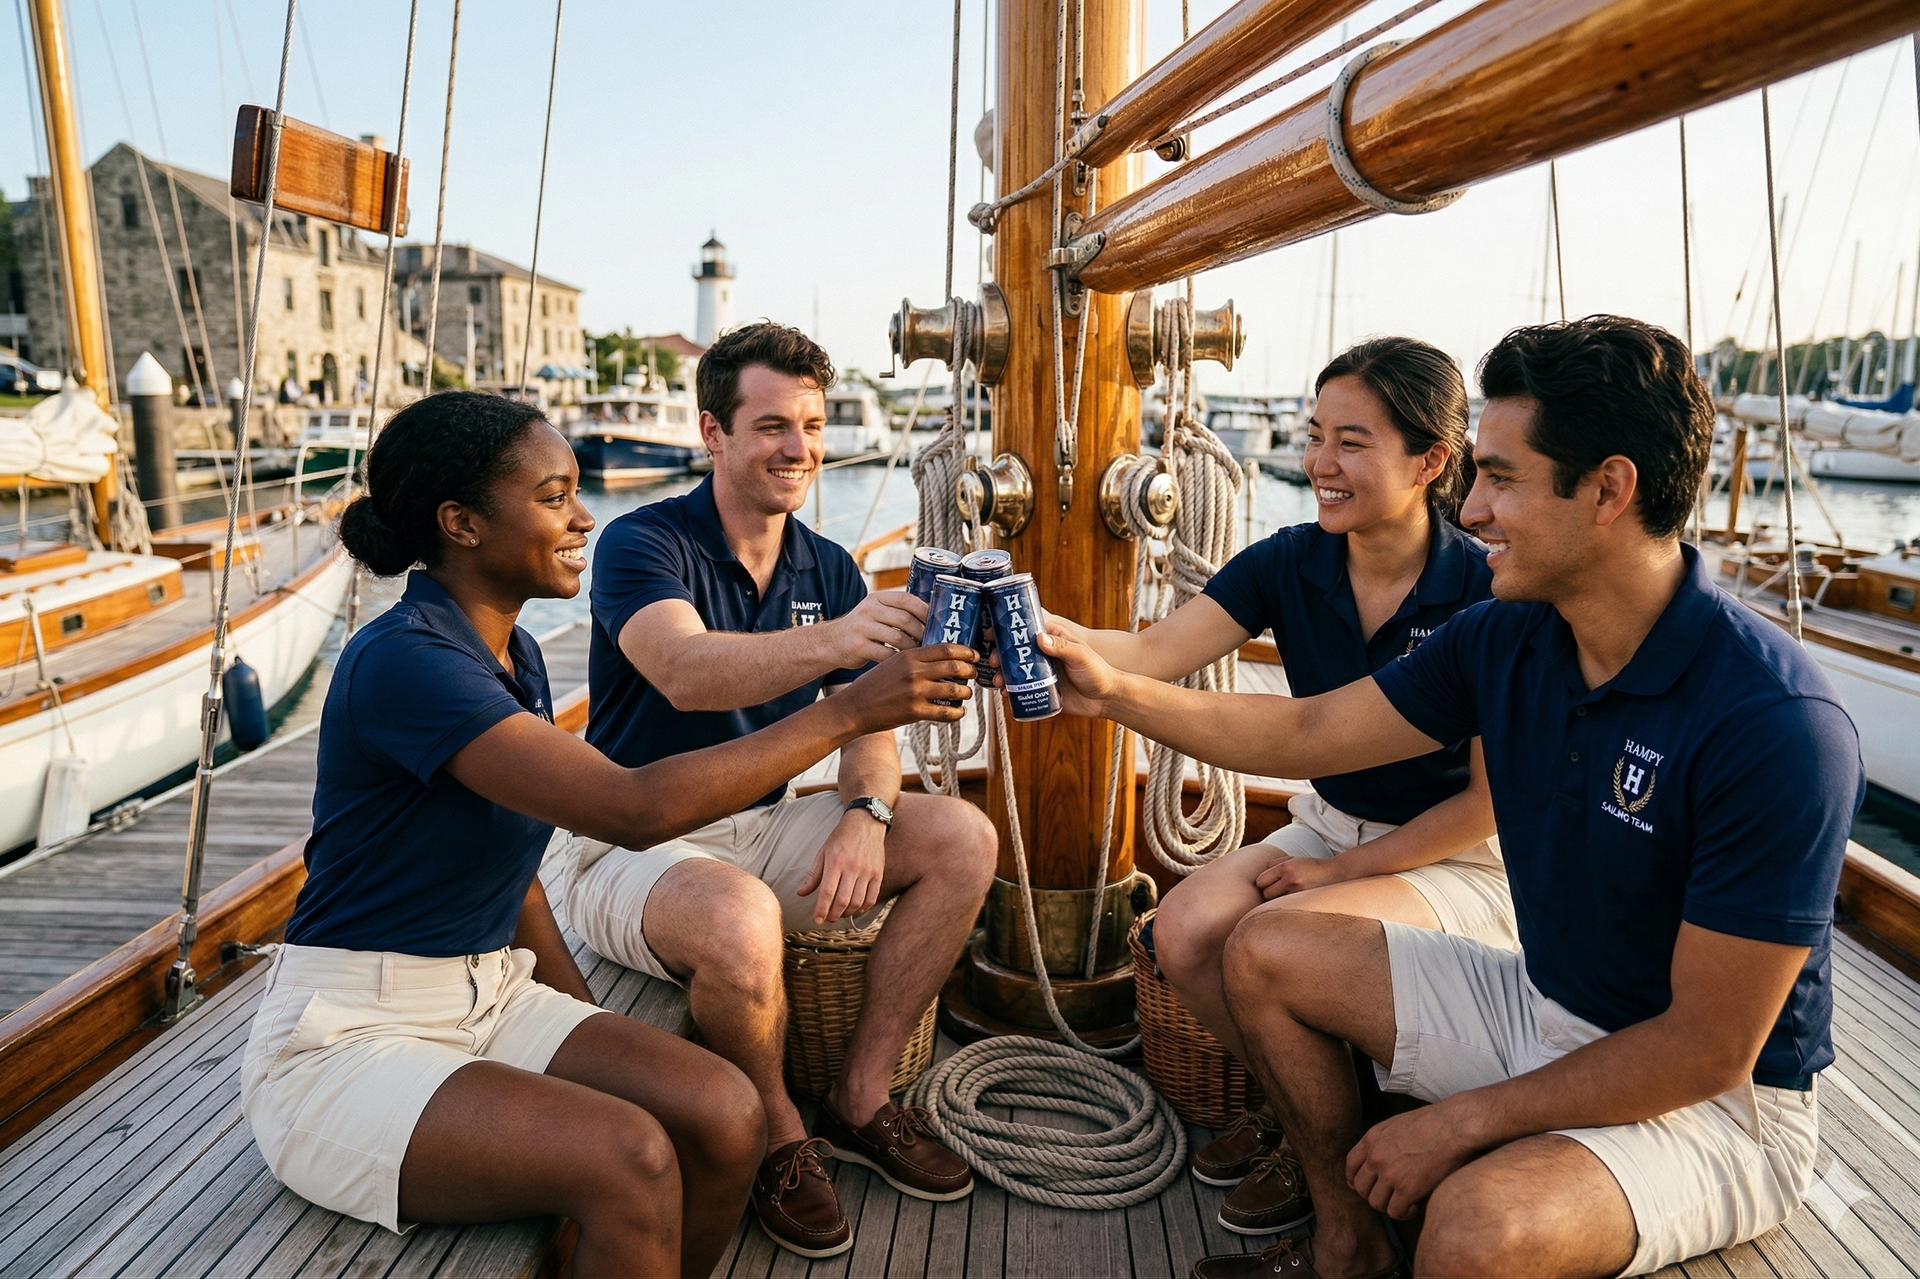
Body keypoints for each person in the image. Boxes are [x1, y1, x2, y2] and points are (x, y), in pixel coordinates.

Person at [1041, 316, 1862, 1279]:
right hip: (1540, 1000)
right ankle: (1345, 1248)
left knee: (1472, 1225)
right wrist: (1114, 691)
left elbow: (1707, 1048)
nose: (1471, 512)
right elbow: (1307, 732)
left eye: (1501, 478)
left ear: (1609, 490)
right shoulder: (1508, 638)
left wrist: (1458, 1126)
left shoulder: (1775, 721)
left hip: (1717, 1106)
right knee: (1260, 948)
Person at [240, 390, 976, 1279]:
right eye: (555, 497)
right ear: (461, 523)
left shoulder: (513, 655)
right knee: (633, 1156)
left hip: (489, 993)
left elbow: (511, 872)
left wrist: (582, 1023)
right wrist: (852, 707)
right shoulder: (405, 660)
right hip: (347, 1033)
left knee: (726, 1113)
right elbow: (631, 810)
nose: (585, 515)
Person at [563, 322, 999, 1259]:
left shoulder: (828, 568)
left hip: (764, 825)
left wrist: (866, 813)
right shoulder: (645, 542)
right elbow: (684, 668)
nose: (799, 447)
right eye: (770, 425)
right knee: (738, 918)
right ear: (712, 432)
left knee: (964, 838)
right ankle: (776, 1130)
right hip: (635, 844)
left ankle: (860, 1096)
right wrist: (845, 643)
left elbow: (869, 731)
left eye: (812, 422)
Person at [1052, 338, 1509, 1230]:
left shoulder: (1483, 594)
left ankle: (1329, 1167)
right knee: (1183, 931)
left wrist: (1337, 878)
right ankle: (1303, 1124)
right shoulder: (1288, 561)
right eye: (1313, 435)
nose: (1320, 465)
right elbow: (1150, 654)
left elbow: (1487, 804)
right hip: (1336, 821)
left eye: (1351, 441)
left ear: (1431, 461)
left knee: (1273, 938)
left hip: (1458, 853)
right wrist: (1031, 621)